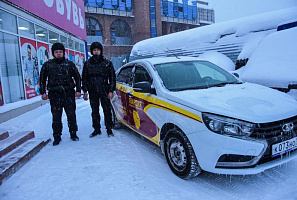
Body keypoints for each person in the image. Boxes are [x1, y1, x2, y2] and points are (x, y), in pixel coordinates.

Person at [39, 43, 81, 146]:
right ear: (53, 53)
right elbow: (42, 79)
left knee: (71, 114)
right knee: (56, 116)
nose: (58, 54)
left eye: (60, 52)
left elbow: (77, 78)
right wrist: (43, 92)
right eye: (56, 52)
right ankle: (57, 136)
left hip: (68, 93)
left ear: (63, 53)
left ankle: (73, 133)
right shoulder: (48, 65)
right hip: (54, 94)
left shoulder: (70, 64)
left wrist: (78, 90)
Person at [82, 42, 116, 137]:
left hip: (104, 90)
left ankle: (109, 129)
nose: (96, 52)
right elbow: (84, 78)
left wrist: (111, 90)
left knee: (107, 110)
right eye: (94, 50)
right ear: (92, 51)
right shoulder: (87, 64)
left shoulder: (107, 63)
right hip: (92, 91)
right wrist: (85, 91)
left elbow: (112, 77)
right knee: (94, 111)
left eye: (98, 50)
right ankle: (96, 129)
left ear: (101, 51)